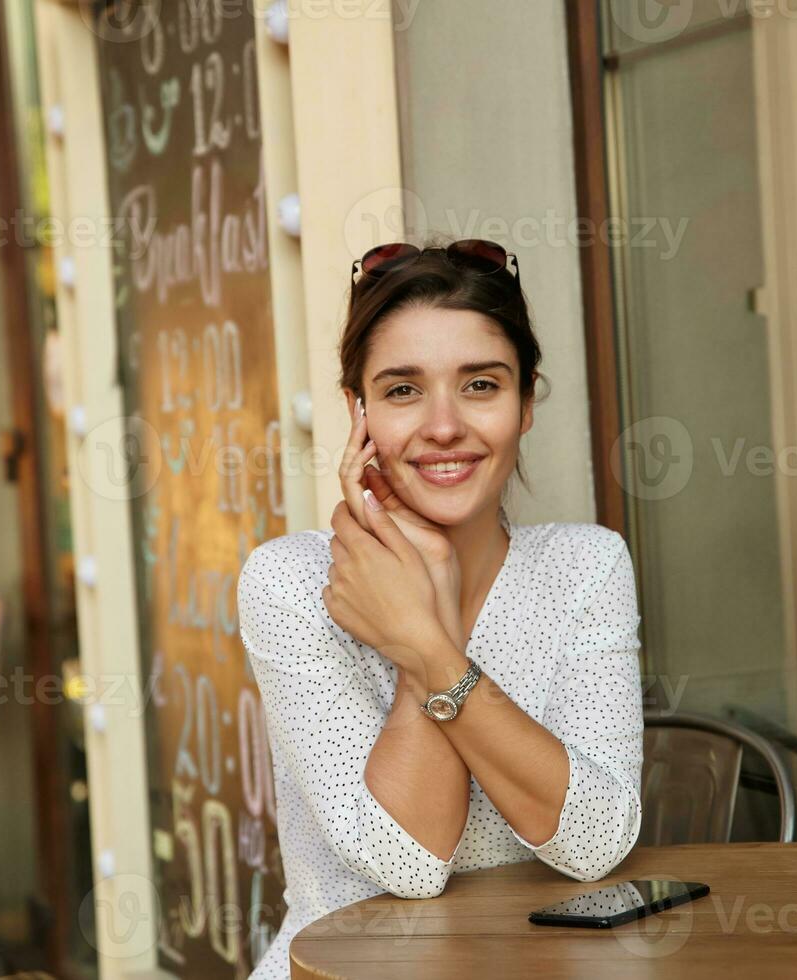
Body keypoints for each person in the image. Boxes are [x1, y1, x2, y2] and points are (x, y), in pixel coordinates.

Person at [238, 239, 645, 979]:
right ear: (356, 411)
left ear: (525, 404)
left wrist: (425, 640)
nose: (444, 425)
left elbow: (595, 843)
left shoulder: (587, 564)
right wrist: (421, 579)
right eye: (402, 390)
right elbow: (410, 862)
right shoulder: (289, 585)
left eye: (481, 385)